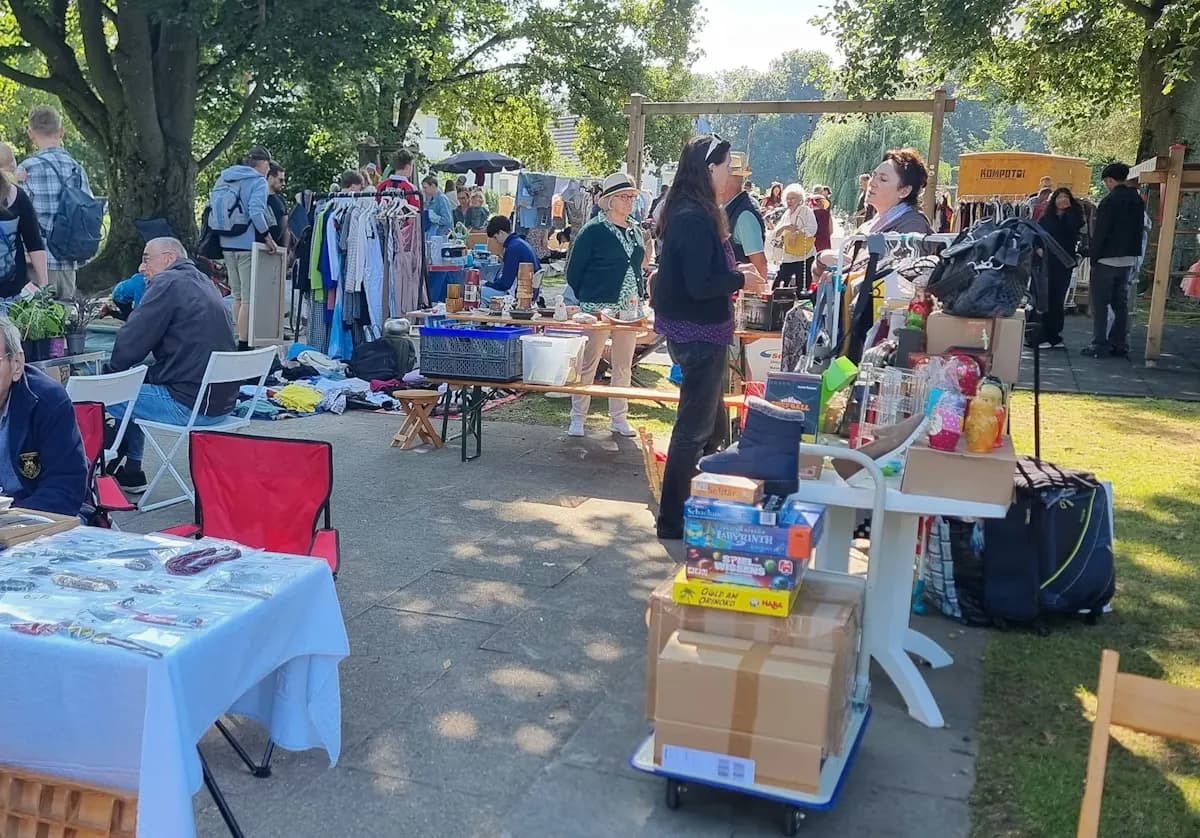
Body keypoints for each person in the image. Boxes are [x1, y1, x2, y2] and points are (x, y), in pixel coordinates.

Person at [651, 134, 762, 540]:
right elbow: (701, 284)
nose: (731, 174)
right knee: (693, 431)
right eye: (727, 166)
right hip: (699, 333)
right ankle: (673, 521)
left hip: (699, 331)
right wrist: (741, 277)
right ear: (709, 169)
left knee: (709, 429)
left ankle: (697, 505)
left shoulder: (693, 210)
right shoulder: (694, 216)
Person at [106, 238, 238, 492]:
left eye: (146, 258)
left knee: (102, 392)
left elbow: (131, 340)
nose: (141, 268)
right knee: (134, 383)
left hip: (191, 406)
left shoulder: (166, 282)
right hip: (221, 404)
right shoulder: (204, 281)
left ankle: (95, 468)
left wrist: (112, 374)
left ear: (168, 258)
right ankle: (132, 470)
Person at [564, 172, 649, 438]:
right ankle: (578, 417)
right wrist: (587, 298)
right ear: (609, 200)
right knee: (588, 363)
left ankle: (619, 417)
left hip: (629, 306)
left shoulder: (635, 229)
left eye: (632, 197)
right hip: (597, 306)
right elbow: (573, 271)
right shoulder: (593, 231)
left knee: (623, 365)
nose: (629, 202)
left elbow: (638, 264)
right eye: (623, 197)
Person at [0, 316, 86, 516]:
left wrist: (11, 521)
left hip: (40, 514)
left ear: (17, 364)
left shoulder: (48, 401)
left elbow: (65, 489)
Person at [814, 149, 933, 279]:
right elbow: (821, 275)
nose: (872, 183)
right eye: (873, 175)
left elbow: (894, 278)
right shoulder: (868, 226)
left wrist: (844, 277)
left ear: (904, 191)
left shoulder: (912, 226)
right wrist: (821, 259)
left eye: (882, 179)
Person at [18, 105, 92, 299]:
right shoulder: (77, 169)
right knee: (65, 323)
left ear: (31, 134)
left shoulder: (26, 170)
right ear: (61, 131)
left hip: (35, 264)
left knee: (32, 323)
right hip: (68, 263)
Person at [214, 146, 277, 350]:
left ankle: (236, 336)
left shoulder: (225, 177)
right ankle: (244, 343)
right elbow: (256, 212)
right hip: (246, 243)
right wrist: (267, 237)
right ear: (264, 164)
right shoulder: (257, 181)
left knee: (237, 294)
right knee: (249, 297)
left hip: (225, 242)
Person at [1083, 162, 1145, 359]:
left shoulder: (1109, 202)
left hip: (1106, 259)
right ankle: (1119, 343)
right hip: (1127, 258)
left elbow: (1101, 232)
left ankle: (1099, 343)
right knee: (1121, 303)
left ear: (1110, 180)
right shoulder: (1137, 201)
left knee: (1100, 304)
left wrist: (1093, 256)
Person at [1036, 187, 1086, 350]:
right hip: (1046, 263)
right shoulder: (1046, 218)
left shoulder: (1075, 217)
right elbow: (1036, 235)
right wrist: (1038, 248)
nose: (1062, 200)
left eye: (1065, 197)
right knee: (1045, 297)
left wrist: (1069, 212)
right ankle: (1041, 334)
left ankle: (1055, 335)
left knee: (1058, 299)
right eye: (1059, 197)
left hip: (1064, 263)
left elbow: (1075, 229)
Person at [0, 142, 47, 299]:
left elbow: (34, 243)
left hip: (14, 293)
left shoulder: (19, 197)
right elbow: (35, 244)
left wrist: (44, 287)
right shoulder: (19, 196)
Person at [720, 157, 769, 279]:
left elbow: (760, 265)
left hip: (739, 292)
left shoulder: (744, 215)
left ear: (727, 180)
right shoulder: (730, 208)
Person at [481, 215, 540, 303]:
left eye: (495, 237)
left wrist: (486, 283)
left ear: (500, 233)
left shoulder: (513, 248)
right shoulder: (521, 243)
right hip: (530, 292)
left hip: (519, 294)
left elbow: (505, 284)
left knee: (477, 292)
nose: (496, 241)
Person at [772, 183, 818, 290]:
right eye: (787, 198)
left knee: (802, 287)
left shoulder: (806, 211)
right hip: (789, 254)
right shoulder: (786, 214)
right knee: (778, 284)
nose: (789, 201)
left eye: (792, 198)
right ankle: (777, 305)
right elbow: (776, 233)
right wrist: (785, 227)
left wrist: (797, 233)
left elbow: (812, 229)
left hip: (805, 254)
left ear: (800, 199)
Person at [266, 162, 289, 249]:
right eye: (281, 180)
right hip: (261, 245)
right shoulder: (258, 199)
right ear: (271, 178)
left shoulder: (281, 200)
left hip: (278, 248)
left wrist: (286, 250)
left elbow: (286, 228)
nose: (283, 184)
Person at [810, 186, 833, 252]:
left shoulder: (810, 211)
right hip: (824, 236)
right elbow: (831, 230)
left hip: (813, 238)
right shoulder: (826, 213)